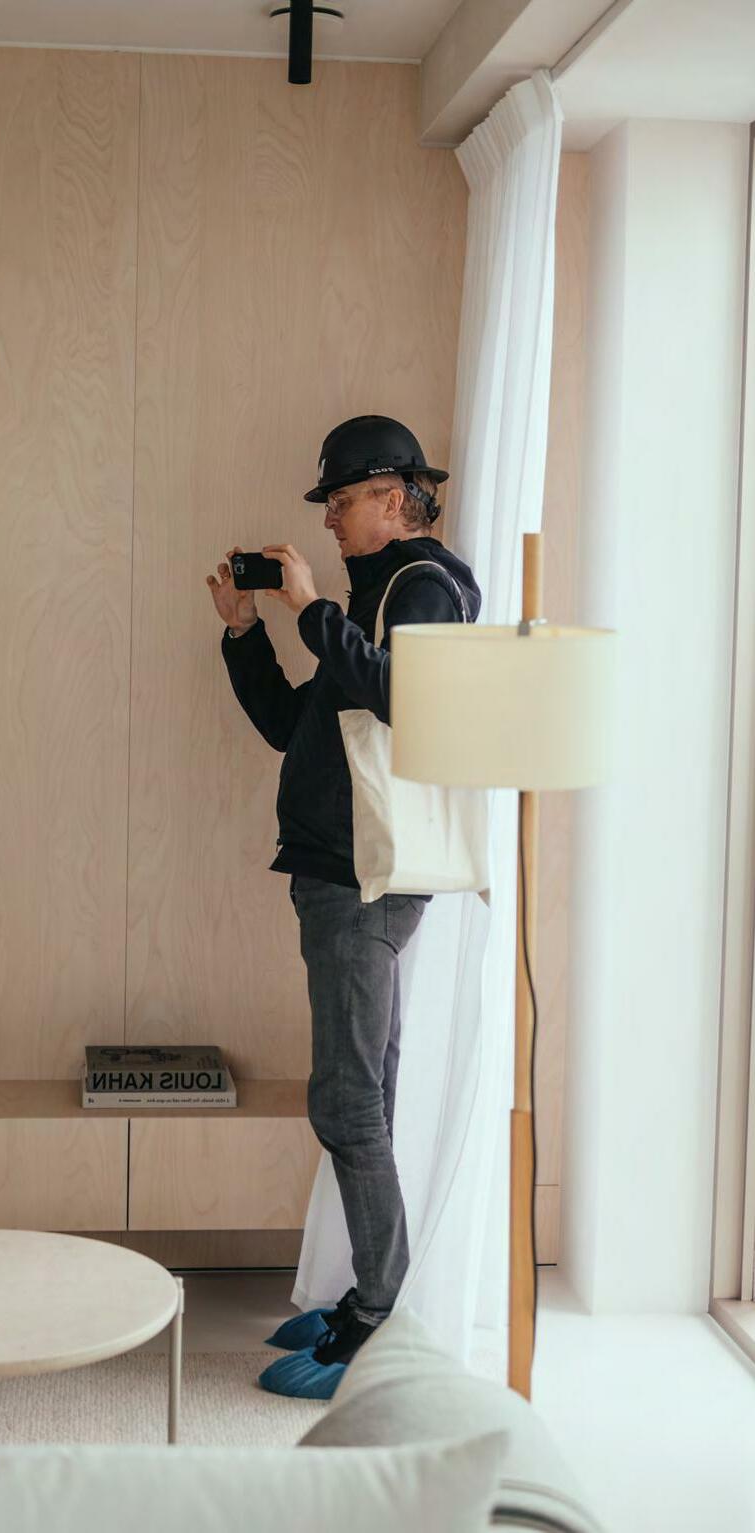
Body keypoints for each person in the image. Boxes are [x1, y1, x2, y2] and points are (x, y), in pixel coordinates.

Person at [206, 415, 482, 1399]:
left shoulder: (428, 586)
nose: (327, 516)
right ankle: (372, 1292)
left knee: (346, 1099)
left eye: (340, 498)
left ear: (394, 496)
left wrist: (311, 609)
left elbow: (411, 701)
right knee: (366, 1089)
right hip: (337, 871)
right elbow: (296, 726)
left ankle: (378, 1321)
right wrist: (247, 631)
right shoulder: (371, 597)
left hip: (366, 877)